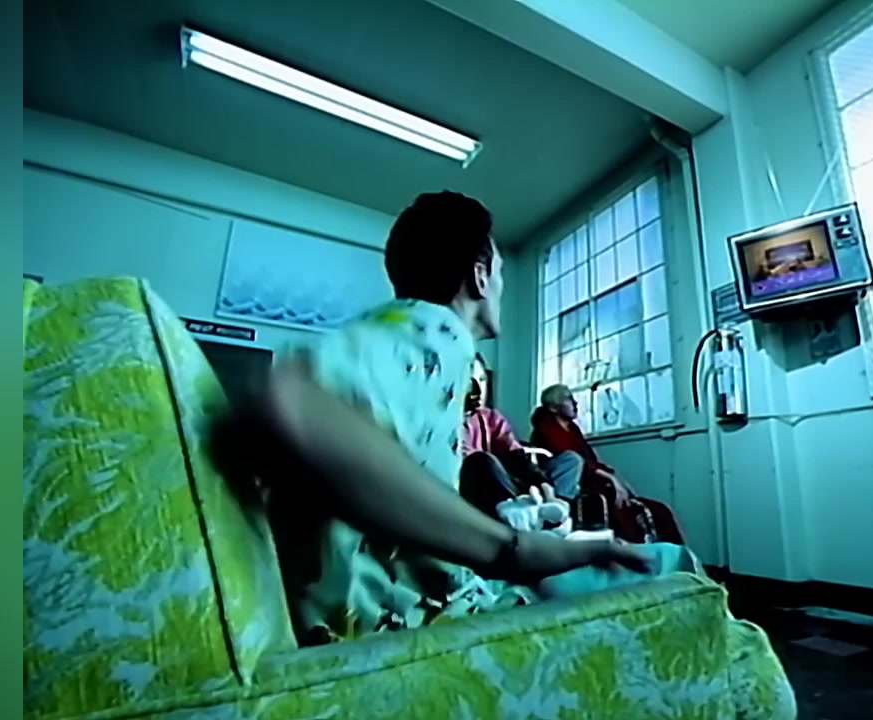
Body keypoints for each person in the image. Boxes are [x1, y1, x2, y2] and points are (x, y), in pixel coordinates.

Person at [216, 191, 662, 644]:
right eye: (501, 274)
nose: (501, 288)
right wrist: (510, 550)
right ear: (480, 277)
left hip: (392, 612)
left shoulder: (408, 332)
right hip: (402, 630)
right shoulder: (433, 331)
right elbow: (289, 401)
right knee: (671, 565)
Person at [531, 384, 688, 545]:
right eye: (568, 399)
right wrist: (611, 480)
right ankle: (633, 551)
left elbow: (593, 461)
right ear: (553, 408)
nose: (575, 403)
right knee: (618, 509)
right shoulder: (545, 429)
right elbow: (579, 464)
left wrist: (620, 482)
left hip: (594, 480)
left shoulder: (573, 429)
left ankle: (678, 554)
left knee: (658, 509)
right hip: (575, 485)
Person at [459, 353, 583, 517]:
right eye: (471, 381)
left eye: (482, 380)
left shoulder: (491, 417)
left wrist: (544, 486)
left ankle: (552, 511)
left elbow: (515, 453)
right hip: (480, 481)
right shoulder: (449, 419)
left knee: (570, 460)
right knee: (481, 461)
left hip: (512, 479)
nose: (478, 390)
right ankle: (527, 511)